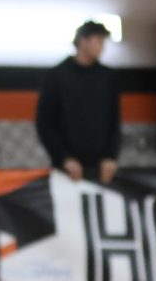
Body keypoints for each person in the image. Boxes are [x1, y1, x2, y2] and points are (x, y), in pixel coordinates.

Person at [35, 20, 121, 185]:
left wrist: (110, 156)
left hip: (101, 168)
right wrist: (64, 158)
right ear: (83, 40)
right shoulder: (56, 76)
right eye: (99, 41)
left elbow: (114, 121)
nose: (102, 47)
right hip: (66, 169)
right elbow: (45, 123)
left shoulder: (107, 77)